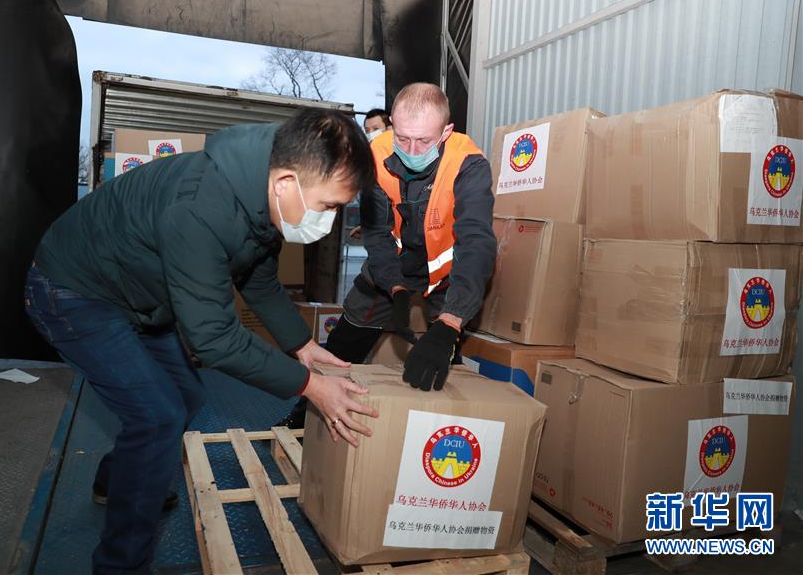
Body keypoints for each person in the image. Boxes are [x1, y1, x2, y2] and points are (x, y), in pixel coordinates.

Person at [24, 109, 379, 574]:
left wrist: (302, 345)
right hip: (75, 291)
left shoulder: (259, 193)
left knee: (186, 396)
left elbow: (258, 277)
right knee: (157, 416)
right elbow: (213, 338)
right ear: (286, 182)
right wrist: (311, 385)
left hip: (141, 293)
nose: (329, 221)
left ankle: (121, 480)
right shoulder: (200, 206)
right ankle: (120, 566)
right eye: (328, 206)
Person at [277, 83, 495, 428]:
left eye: (424, 141)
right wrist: (394, 287)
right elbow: (376, 233)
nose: (412, 150)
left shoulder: (469, 164)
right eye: (403, 138)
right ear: (392, 123)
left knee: (440, 353)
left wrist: (451, 322)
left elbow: (476, 241)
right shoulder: (375, 155)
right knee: (346, 337)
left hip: (446, 274)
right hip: (390, 266)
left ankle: (436, 428)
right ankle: (306, 417)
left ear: (446, 132)